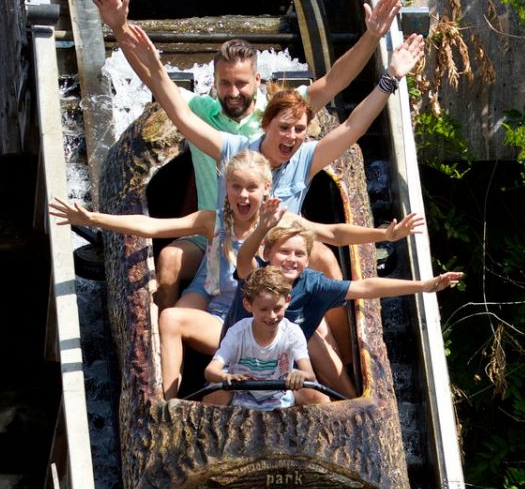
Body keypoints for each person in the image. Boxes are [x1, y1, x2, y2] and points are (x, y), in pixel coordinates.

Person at [94, 0, 404, 304]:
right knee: (170, 260)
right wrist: (119, 27)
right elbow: (155, 79)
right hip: (213, 234)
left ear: (257, 81)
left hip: (275, 236)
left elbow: (333, 83)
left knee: (324, 258)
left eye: (240, 83)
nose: (233, 92)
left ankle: (338, 342)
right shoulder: (204, 117)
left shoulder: (280, 116)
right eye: (225, 83)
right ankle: (165, 342)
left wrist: (371, 38)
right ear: (213, 83)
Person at [49, 166, 424, 399]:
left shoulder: (281, 222)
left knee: (311, 331)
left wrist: (385, 236)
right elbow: (153, 227)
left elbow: (333, 232)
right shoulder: (214, 221)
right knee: (171, 318)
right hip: (229, 318)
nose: (243, 196)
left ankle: (355, 404)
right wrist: (95, 218)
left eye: (251, 189)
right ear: (225, 189)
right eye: (235, 188)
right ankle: (166, 404)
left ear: (266, 191)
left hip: (280, 321)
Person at [228, 206, 463, 393]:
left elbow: (367, 287)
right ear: (267, 253)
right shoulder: (255, 274)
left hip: (284, 359)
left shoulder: (313, 283)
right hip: (243, 354)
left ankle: (350, 399)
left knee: (313, 349)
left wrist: (424, 286)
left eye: (299, 254)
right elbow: (245, 254)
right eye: (284, 252)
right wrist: (262, 229)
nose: (291, 259)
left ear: (308, 260)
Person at [201, 265, 322, 409]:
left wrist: (301, 376)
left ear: (287, 300)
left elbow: (310, 375)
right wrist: (225, 377)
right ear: (248, 304)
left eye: (277, 308)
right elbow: (210, 371)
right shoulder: (237, 332)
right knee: (214, 394)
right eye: (263, 309)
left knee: (318, 396)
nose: (271, 316)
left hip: (280, 394)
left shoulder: (292, 333)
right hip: (241, 394)